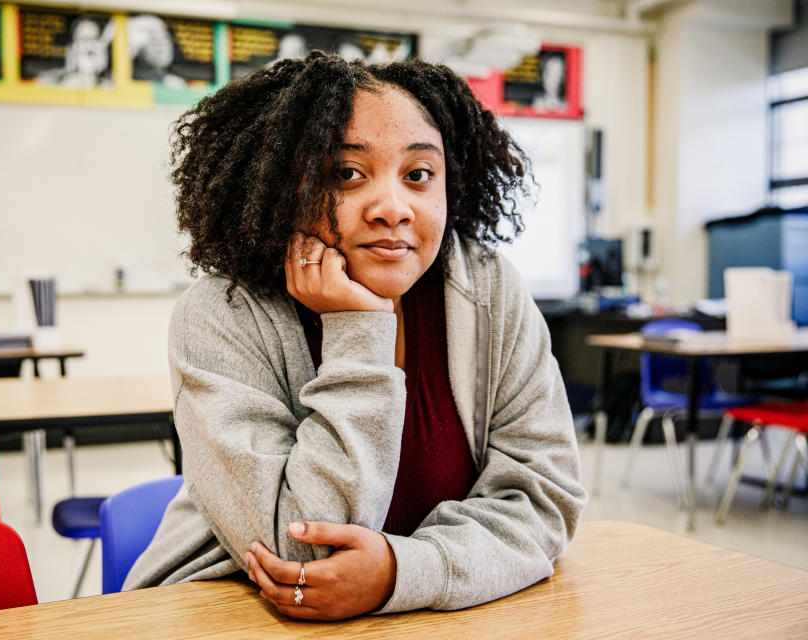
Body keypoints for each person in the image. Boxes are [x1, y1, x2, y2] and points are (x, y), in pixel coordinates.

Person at [125, 52, 586, 620]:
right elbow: (303, 550)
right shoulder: (222, 315)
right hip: (229, 616)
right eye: (346, 174)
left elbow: (544, 499)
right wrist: (358, 330)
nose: (393, 208)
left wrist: (402, 571)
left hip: (429, 619)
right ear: (279, 186)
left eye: (419, 175)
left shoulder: (487, 289)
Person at [127, 14, 187, 89]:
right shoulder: (121, 81)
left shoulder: (176, 85)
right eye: (152, 38)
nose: (161, 44)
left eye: (165, 38)